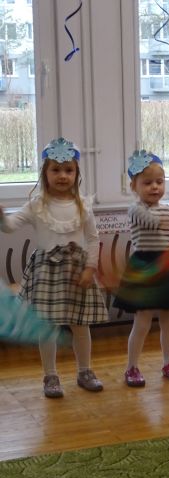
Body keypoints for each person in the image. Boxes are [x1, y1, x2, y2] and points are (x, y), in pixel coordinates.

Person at [0, 137, 108, 398]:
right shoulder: (36, 205)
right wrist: (1, 217)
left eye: (68, 170)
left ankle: (85, 371)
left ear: (76, 173)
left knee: (80, 325)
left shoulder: (83, 205)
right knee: (47, 326)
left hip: (77, 273)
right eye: (56, 170)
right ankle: (50, 375)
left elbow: (93, 239)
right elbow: (10, 227)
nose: (62, 175)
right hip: (46, 273)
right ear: (45, 173)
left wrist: (90, 268)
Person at [113, 151, 169, 387]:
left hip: (165, 266)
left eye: (159, 182)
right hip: (145, 266)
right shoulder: (135, 209)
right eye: (147, 183)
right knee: (143, 320)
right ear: (133, 186)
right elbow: (152, 222)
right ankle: (131, 367)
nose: (155, 187)